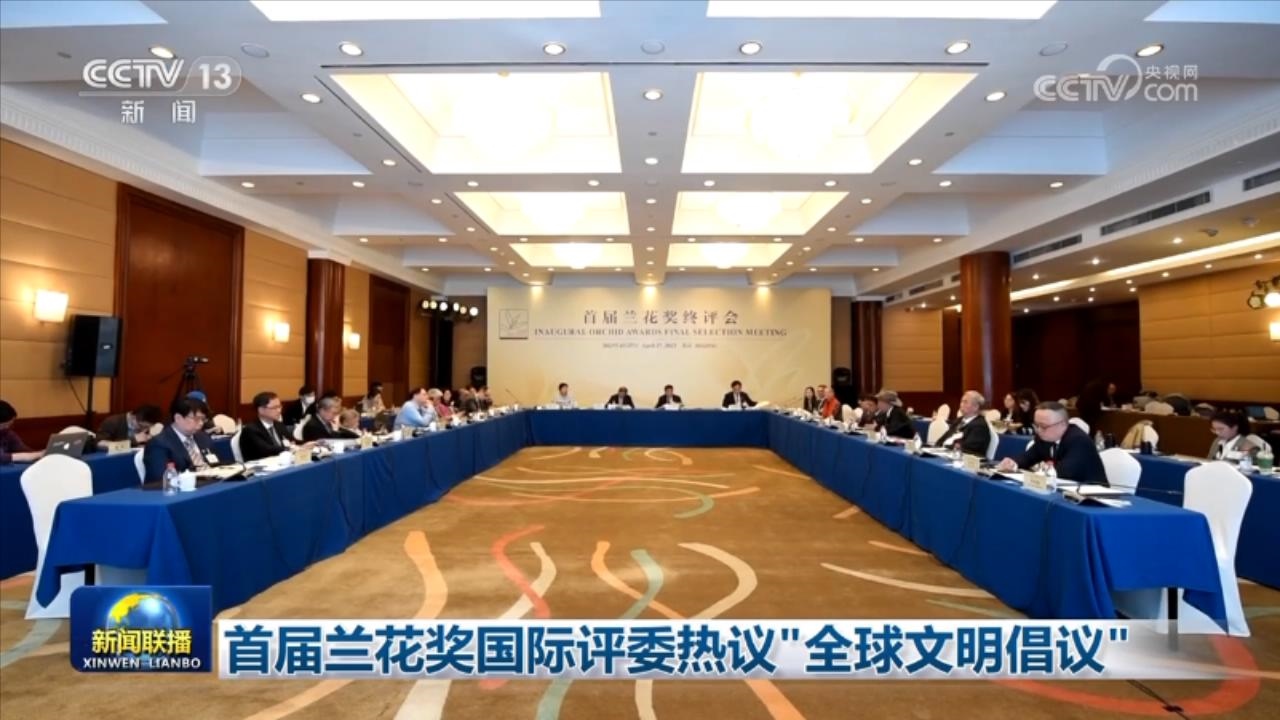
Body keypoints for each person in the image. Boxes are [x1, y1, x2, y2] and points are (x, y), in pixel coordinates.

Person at [997, 401, 1107, 485]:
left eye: (1043, 426)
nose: (1038, 430)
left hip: (1094, 496)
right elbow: (1028, 456)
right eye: (1036, 425)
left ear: (1062, 424)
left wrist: (1041, 472)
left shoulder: (1079, 440)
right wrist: (1013, 463)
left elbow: (1065, 472)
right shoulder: (1044, 438)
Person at [142, 397, 219, 483]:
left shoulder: (203, 437)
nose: (201, 423)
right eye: (196, 419)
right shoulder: (158, 444)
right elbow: (161, 477)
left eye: (203, 419)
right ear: (178, 418)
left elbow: (215, 463)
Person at [239, 391, 297, 461]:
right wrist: (290, 448)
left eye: (280, 407)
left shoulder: (279, 425)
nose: (279, 411)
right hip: (260, 465)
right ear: (261, 410)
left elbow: (292, 441)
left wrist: (302, 445)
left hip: (282, 462)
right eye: (275, 408)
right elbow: (266, 449)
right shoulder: (250, 430)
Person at [935, 391, 993, 456]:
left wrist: (946, 447)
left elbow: (968, 448)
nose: (961, 404)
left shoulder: (979, 426)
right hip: (946, 453)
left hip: (964, 459)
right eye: (961, 401)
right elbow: (941, 440)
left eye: (965, 402)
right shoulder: (958, 420)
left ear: (975, 407)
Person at [97, 403, 163, 446]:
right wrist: (133, 440)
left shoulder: (146, 427)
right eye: (141, 426)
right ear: (133, 417)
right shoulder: (112, 422)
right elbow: (100, 444)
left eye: (148, 428)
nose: (144, 430)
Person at [0, 400, 43, 465]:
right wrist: (30, 456)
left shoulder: (8, 433)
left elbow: (22, 448)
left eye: (10, 424)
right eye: (4, 425)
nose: (7, 427)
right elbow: (2, 457)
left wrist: (40, 453)